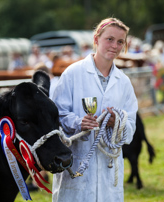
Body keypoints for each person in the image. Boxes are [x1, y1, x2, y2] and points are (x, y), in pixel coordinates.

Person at [52, 17, 138, 202]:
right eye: (110, 39)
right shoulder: (73, 74)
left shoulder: (123, 82)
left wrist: (118, 124)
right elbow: (56, 116)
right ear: (96, 39)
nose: (114, 45)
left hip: (109, 169)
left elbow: (131, 126)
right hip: (76, 167)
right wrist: (78, 123)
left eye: (120, 41)